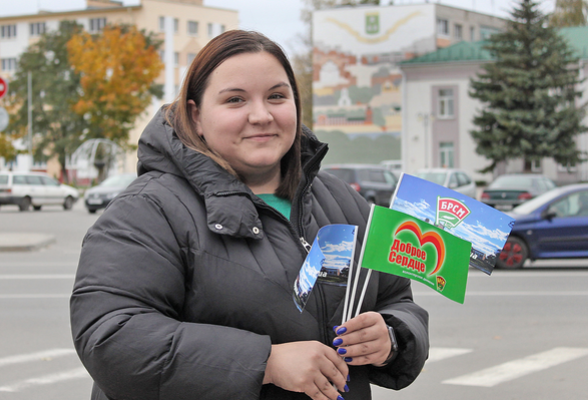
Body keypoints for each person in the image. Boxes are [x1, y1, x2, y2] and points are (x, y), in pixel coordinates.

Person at [70, 30, 429, 400]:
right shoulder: (148, 210)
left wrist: (391, 336)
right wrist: (265, 363)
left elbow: (398, 299)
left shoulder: (341, 200)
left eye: (276, 96)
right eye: (235, 100)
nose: (261, 115)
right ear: (195, 116)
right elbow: (111, 338)